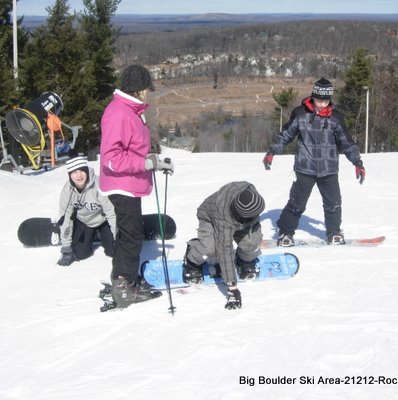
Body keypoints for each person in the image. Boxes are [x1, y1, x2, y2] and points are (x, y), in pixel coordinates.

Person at [99, 64, 174, 308]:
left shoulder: (129, 111)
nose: (148, 93)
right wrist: (145, 163)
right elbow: (111, 157)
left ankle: (123, 279)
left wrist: (154, 163)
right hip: (122, 185)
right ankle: (123, 285)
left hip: (129, 183)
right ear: (138, 89)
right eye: (146, 89)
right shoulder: (119, 113)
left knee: (128, 234)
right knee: (131, 236)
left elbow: (135, 149)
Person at [263, 77, 366, 246]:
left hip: (329, 169)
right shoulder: (300, 114)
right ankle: (286, 232)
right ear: (313, 96)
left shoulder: (335, 117)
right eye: (319, 100)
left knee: (333, 203)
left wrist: (357, 162)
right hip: (304, 168)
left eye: (326, 101)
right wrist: (272, 152)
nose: (322, 104)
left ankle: (334, 232)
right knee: (296, 203)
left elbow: (346, 141)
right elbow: (286, 135)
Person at [183, 182, 265, 310]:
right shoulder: (223, 216)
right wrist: (232, 287)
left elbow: (253, 216)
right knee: (211, 248)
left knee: (251, 243)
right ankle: (192, 258)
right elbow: (225, 250)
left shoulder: (251, 194)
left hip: (243, 219)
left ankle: (244, 260)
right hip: (210, 217)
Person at [57, 156, 117, 266]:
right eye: (74, 172)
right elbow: (65, 217)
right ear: (70, 175)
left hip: (103, 221)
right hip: (83, 221)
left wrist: (117, 238)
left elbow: (111, 214)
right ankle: (90, 234)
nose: (79, 175)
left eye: (81, 171)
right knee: (80, 254)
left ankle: (101, 235)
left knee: (114, 251)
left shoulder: (99, 184)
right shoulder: (67, 191)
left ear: (87, 171)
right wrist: (66, 247)